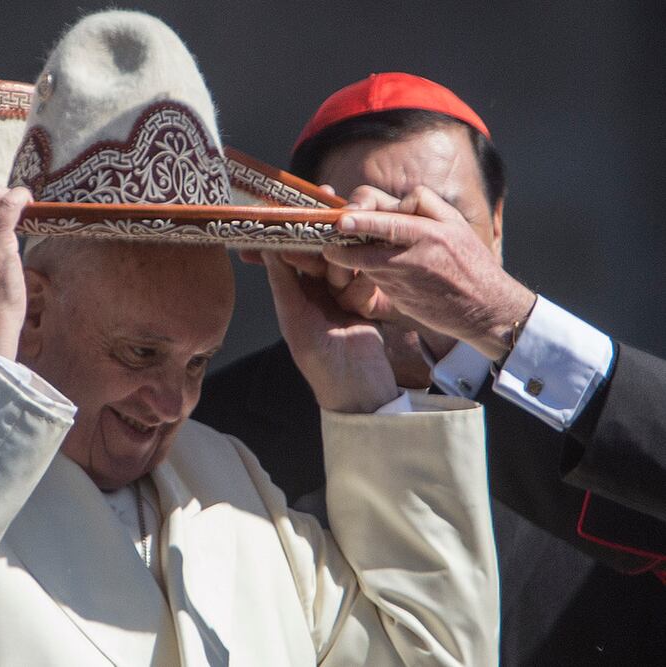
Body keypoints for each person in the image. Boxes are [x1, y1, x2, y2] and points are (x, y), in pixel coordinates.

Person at [0, 15, 499, 666]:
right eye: (141, 353)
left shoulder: (235, 487)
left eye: (199, 360)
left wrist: (358, 388)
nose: (173, 399)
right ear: (32, 311)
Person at [194, 73, 666, 666]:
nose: (402, 258)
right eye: (363, 229)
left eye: (444, 221)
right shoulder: (214, 434)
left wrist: (498, 316)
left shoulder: (584, 413)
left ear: (497, 225)